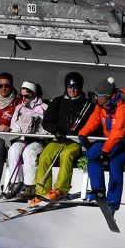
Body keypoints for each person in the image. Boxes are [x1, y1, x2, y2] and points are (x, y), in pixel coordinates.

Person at [78, 76, 125, 214]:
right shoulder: (101, 105)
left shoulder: (123, 107)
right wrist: (83, 134)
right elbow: (94, 121)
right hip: (108, 139)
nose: (95, 98)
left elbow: (119, 132)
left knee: (115, 164)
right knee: (91, 156)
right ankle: (99, 191)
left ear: (107, 96)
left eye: (98, 96)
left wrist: (105, 150)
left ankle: (113, 201)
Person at [30, 72, 93, 204]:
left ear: (80, 87)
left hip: (75, 142)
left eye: (75, 87)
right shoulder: (58, 102)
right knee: (45, 156)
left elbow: (93, 123)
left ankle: (61, 189)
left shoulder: (87, 105)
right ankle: (42, 191)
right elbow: (46, 122)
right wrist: (56, 131)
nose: (72, 90)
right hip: (59, 139)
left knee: (66, 155)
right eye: (69, 87)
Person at [2, 82, 48, 199]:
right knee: (13, 150)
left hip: (37, 140)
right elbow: (14, 125)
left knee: (28, 152)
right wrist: (17, 133)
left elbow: (47, 128)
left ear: (34, 94)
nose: (23, 98)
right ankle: (16, 183)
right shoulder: (19, 108)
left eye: (27, 96)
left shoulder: (44, 108)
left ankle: (30, 186)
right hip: (22, 138)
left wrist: (37, 133)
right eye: (21, 96)